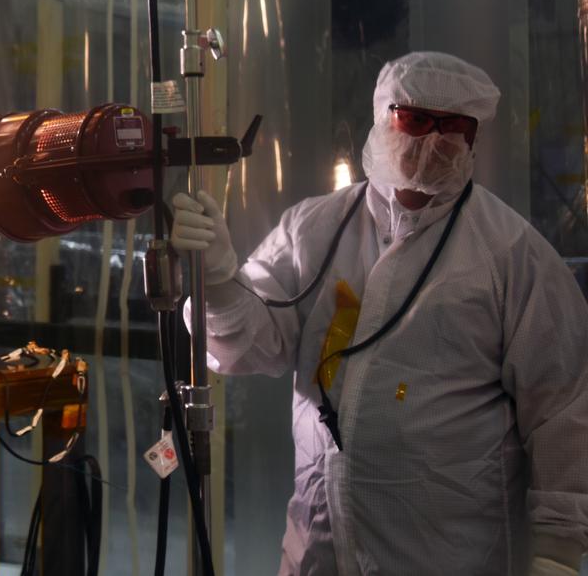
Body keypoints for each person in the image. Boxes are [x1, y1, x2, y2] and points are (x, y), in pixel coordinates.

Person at [171, 51, 588, 576]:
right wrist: (218, 281)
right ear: (381, 117)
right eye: (413, 119)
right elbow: (244, 348)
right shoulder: (316, 229)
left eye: (452, 127)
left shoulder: (509, 253)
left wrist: (558, 553)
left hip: (455, 555)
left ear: (474, 139)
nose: (432, 140)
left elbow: (566, 408)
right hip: (319, 547)